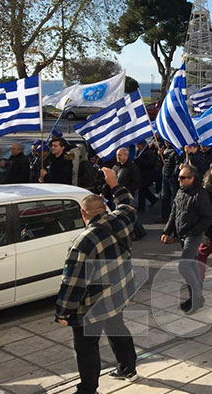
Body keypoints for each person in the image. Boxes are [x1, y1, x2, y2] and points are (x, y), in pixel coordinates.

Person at [55, 167, 139, 394]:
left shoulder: (82, 242)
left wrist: (63, 312)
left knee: (86, 347)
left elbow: (73, 282)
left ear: (83, 214)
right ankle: (128, 368)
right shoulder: (121, 220)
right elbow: (128, 204)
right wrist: (114, 184)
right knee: (117, 328)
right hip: (118, 293)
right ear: (104, 208)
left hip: (92, 305)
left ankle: (88, 389)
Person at [161, 164, 212, 314]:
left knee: (184, 266)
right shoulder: (180, 192)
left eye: (183, 178)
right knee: (193, 265)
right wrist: (167, 231)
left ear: (192, 178)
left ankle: (196, 298)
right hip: (182, 234)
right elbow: (174, 213)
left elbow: (208, 217)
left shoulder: (200, 194)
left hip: (193, 235)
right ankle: (196, 297)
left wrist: (193, 232)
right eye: (179, 177)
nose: (179, 180)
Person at [134, 141, 159, 212]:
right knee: (143, 189)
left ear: (142, 145)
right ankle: (153, 199)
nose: (137, 146)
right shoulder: (138, 151)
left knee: (142, 190)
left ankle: (141, 207)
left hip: (147, 174)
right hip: (140, 173)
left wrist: (140, 160)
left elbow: (150, 163)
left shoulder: (149, 152)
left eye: (138, 144)